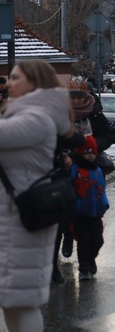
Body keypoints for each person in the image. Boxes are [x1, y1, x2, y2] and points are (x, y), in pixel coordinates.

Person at [0, 60, 72, 332]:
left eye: (15, 77)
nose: (8, 83)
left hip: (23, 221)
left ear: (34, 82)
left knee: (22, 301)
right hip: (12, 218)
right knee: (11, 300)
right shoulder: (26, 114)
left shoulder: (37, 117)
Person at [68, 135, 109, 281]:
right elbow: (69, 185)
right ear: (81, 153)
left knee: (97, 240)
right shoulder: (76, 169)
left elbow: (102, 189)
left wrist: (105, 203)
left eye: (93, 152)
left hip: (96, 212)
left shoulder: (98, 170)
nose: (90, 155)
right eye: (87, 152)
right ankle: (84, 267)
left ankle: (91, 258)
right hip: (80, 212)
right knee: (83, 240)